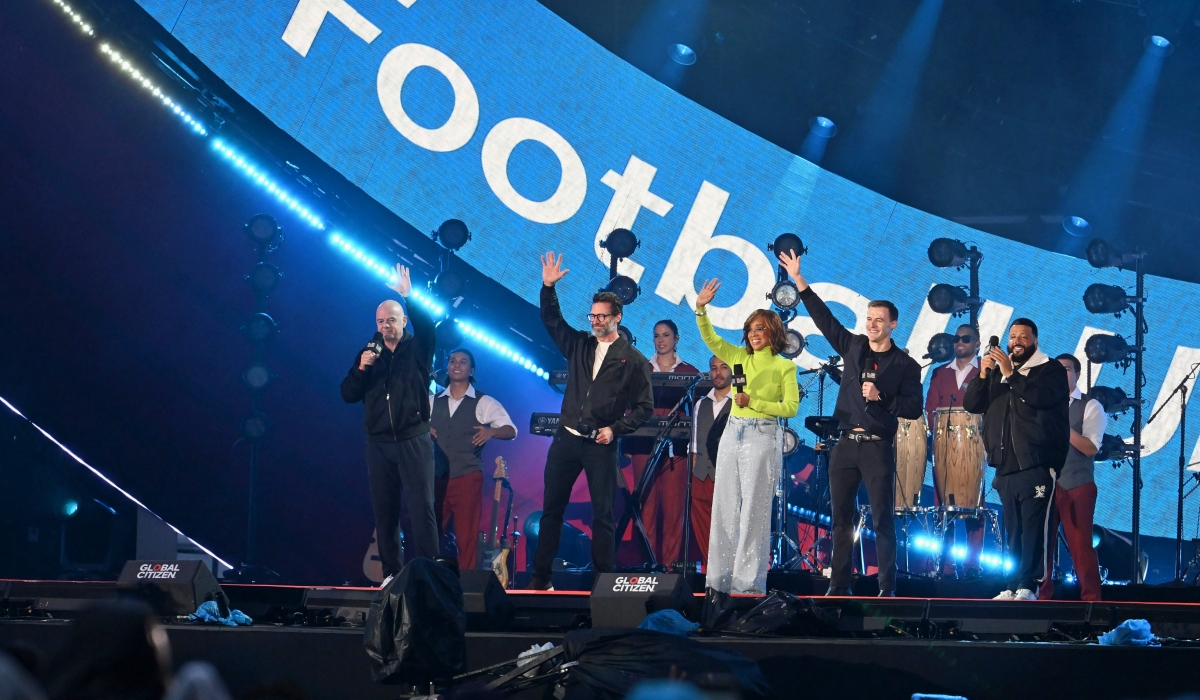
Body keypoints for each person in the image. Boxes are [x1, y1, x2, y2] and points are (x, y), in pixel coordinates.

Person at [779, 249, 923, 597]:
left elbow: (914, 408)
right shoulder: (854, 346)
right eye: (869, 318)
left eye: (879, 320)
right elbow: (824, 319)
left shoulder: (905, 365)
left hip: (877, 448)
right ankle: (838, 584)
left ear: (893, 325)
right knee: (841, 520)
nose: (872, 324)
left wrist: (882, 398)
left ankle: (887, 587)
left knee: (881, 520)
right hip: (845, 446)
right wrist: (800, 281)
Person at [529, 252, 654, 590]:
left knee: (603, 516)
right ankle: (541, 578)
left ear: (618, 317)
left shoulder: (634, 360)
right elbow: (552, 321)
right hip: (566, 439)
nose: (596, 321)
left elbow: (644, 408)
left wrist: (615, 429)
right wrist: (548, 287)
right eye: (593, 315)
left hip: (600, 444)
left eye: (602, 316)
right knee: (552, 509)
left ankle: (602, 584)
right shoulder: (580, 345)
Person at [693, 279, 799, 594]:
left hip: (763, 435)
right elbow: (711, 338)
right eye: (751, 328)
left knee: (753, 508)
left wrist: (753, 402)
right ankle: (719, 580)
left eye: (761, 328)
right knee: (724, 504)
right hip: (732, 433)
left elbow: (790, 407)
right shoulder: (738, 356)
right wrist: (701, 308)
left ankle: (748, 583)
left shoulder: (785, 367)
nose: (754, 333)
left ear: (774, 333)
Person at [340, 264, 438, 586]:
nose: (385, 326)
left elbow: (428, 325)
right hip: (378, 444)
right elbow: (348, 394)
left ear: (403, 321)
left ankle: (429, 571)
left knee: (421, 508)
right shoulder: (370, 353)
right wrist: (362, 368)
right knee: (385, 512)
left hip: (414, 440)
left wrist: (409, 296)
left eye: (391, 320)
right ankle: (391, 573)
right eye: (380, 321)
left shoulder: (418, 348)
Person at [963, 318, 1069, 601]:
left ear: (1035, 340)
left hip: (1036, 463)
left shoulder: (1050, 370)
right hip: (1006, 465)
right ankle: (1011, 585)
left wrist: (1011, 373)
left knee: (1034, 529)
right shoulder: (997, 372)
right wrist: (984, 374)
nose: (1017, 341)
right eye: (1013, 336)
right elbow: (972, 404)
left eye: (1023, 336)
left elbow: (1041, 398)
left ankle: (1030, 585)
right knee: (1012, 531)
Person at [429, 348, 518, 572]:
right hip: (436, 478)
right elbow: (410, 426)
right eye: (452, 361)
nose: (456, 365)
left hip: (467, 477)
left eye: (463, 362)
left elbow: (511, 430)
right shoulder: (431, 401)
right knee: (429, 534)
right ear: (447, 367)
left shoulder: (483, 402)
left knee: (466, 538)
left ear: (471, 370)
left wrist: (491, 431)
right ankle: (425, 583)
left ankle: (466, 590)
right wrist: (424, 429)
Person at [627, 320, 700, 566]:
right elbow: (629, 406)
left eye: (666, 335)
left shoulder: (689, 371)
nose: (661, 340)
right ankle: (646, 565)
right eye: (657, 335)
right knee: (645, 509)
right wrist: (628, 444)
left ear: (676, 338)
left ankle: (668, 569)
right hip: (642, 447)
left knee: (673, 511)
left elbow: (697, 414)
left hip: (676, 450)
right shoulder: (641, 368)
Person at [1038, 353, 1106, 601]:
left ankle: (1091, 601)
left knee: (1080, 546)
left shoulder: (1090, 405)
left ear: (1077, 374)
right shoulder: (1041, 405)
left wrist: (1060, 424)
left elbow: (1090, 448)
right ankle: (1041, 598)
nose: (1061, 373)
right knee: (1041, 545)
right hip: (1044, 484)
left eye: (1066, 369)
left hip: (1077, 483)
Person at [925, 323, 986, 578]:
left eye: (966, 338)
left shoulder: (986, 372)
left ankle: (972, 566)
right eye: (956, 338)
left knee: (975, 506)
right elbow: (930, 409)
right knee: (944, 507)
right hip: (945, 448)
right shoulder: (940, 373)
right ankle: (946, 566)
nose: (960, 342)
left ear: (977, 344)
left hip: (974, 447)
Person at [689, 355, 733, 566]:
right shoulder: (700, 403)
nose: (718, 372)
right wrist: (695, 472)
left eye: (724, 367)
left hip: (728, 476)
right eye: (714, 368)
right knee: (702, 523)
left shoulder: (740, 403)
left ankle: (727, 570)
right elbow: (695, 446)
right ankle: (709, 570)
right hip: (702, 475)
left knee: (726, 525)